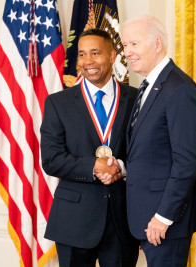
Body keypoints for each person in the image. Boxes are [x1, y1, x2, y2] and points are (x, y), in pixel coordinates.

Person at [40, 29, 139, 267]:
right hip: (73, 221)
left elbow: (147, 153)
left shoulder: (137, 99)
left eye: (95, 53)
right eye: (82, 55)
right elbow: (51, 159)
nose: (88, 62)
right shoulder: (57, 103)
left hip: (122, 220)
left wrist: (121, 169)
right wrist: (93, 166)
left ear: (113, 55)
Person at [121, 15, 196, 266]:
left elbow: (186, 162)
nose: (127, 53)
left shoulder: (179, 88)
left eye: (134, 45)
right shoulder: (151, 85)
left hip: (165, 221)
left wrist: (163, 217)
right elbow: (151, 150)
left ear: (157, 44)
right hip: (146, 218)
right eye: (125, 46)